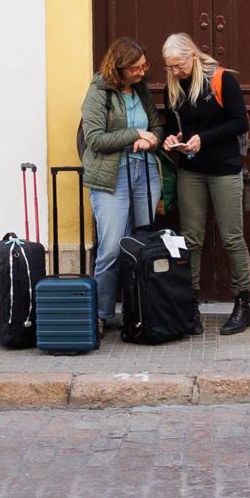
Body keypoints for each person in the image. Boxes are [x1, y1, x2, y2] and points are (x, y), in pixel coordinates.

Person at [160, 32, 250, 335]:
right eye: (169, 67)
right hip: (191, 170)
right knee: (191, 238)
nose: (175, 72)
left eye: (178, 65)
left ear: (193, 56)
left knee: (231, 237)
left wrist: (205, 138)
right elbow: (174, 126)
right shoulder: (172, 87)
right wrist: (172, 139)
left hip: (225, 168)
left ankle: (242, 303)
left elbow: (241, 122)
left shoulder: (222, 80)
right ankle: (190, 303)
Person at [78, 36, 163, 331]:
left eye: (144, 66)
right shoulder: (99, 92)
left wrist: (151, 139)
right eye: (135, 68)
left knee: (139, 246)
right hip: (111, 179)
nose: (142, 72)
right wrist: (134, 134)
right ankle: (101, 315)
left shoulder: (141, 89)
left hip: (146, 173)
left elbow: (156, 126)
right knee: (112, 248)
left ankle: (135, 311)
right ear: (119, 68)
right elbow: (95, 139)